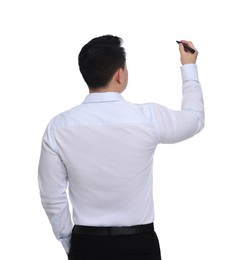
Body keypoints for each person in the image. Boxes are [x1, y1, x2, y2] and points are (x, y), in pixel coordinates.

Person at [38, 35, 204, 260]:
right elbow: (194, 119)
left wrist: (72, 243)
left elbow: (52, 196)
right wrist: (188, 67)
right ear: (119, 74)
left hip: (86, 244)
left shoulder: (58, 127)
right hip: (139, 243)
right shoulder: (148, 118)